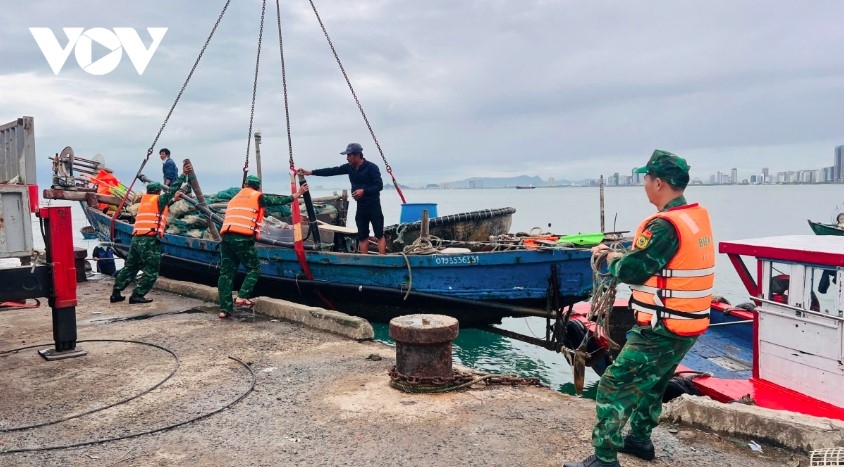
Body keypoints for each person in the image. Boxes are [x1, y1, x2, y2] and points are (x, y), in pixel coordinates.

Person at [564, 150, 715, 467]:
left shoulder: (663, 227)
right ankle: (639, 440)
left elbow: (633, 270)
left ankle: (604, 459)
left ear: (658, 183)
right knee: (654, 382)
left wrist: (607, 257)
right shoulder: (693, 217)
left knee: (613, 386)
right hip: (687, 324)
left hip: (661, 326)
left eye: (646, 178)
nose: (644, 184)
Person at [217, 175, 309, 319]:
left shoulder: (234, 198)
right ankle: (242, 296)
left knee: (226, 274)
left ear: (246, 185)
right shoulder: (257, 196)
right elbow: (277, 201)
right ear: (257, 187)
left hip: (226, 238)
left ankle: (224, 309)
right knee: (254, 268)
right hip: (242, 238)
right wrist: (297, 194)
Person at [110, 170, 187, 305]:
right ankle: (137, 295)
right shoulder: (158, 199)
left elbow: (161, 207)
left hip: (136, 239)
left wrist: (174, 199)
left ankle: (116, 292)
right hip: (149, 240)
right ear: (158, 192)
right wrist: (183, 175)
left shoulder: (146, 202)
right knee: (151, 270)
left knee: (130, 267)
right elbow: (173, 189)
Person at [299, 143, 386, 254]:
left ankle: (383, 258)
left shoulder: (372, 167)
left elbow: (379, 186)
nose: (347, 158)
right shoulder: (349, 167)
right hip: (361, 207)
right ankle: (365, 259)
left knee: (379, 234)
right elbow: (332, 171)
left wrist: (364, 191)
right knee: (362, 235)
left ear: (357, 155)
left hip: (374, 206)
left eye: (349, 155)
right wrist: (311, 172)